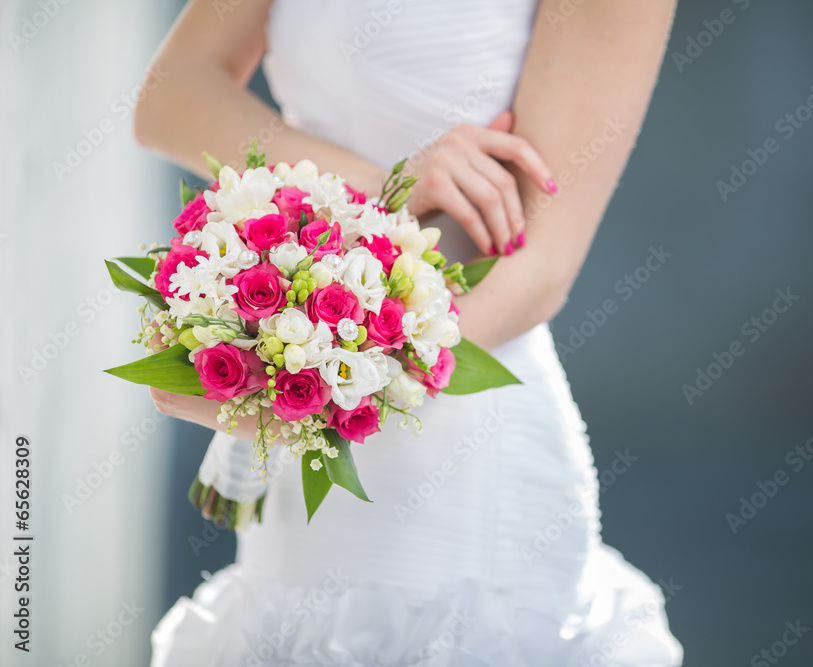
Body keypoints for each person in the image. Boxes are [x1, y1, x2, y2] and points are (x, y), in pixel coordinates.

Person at [137, 1, 683, 664]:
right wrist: (381, 184)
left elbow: (538, 266)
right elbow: (172, 95)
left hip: (461, 446)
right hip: (300, 470)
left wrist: (307, 403)